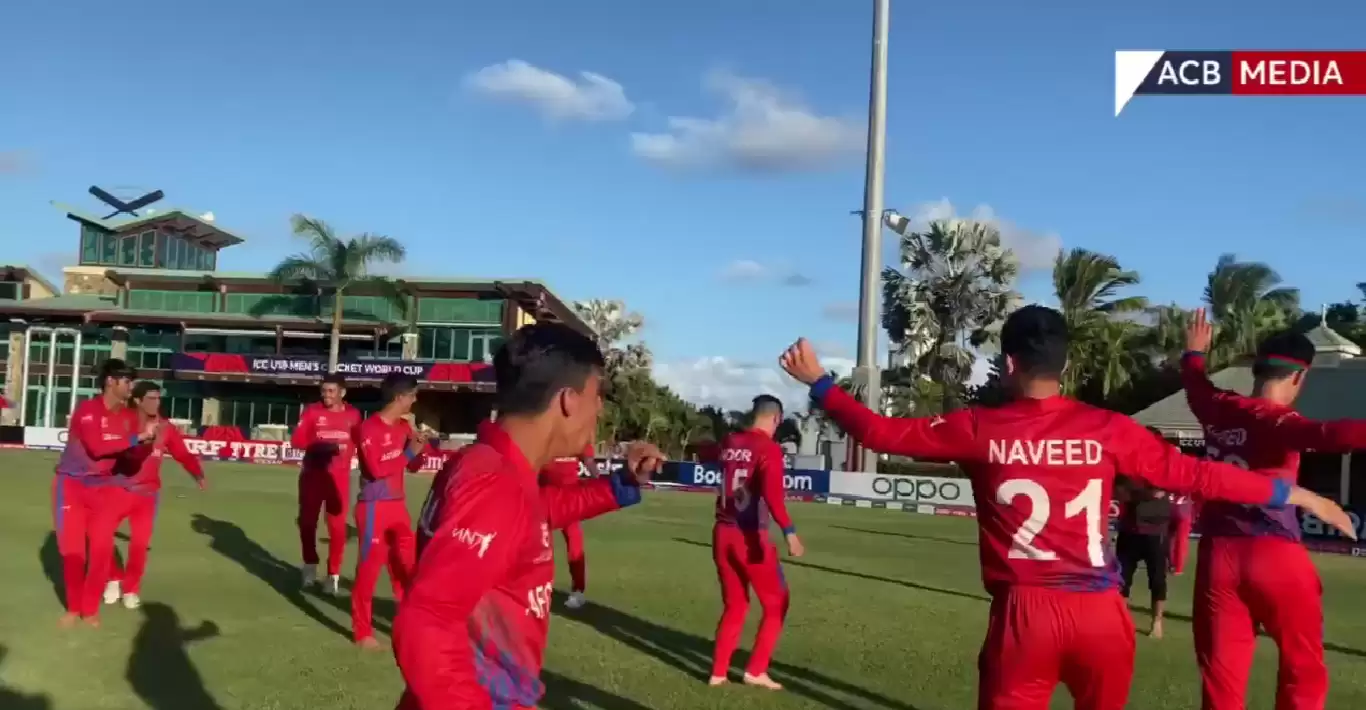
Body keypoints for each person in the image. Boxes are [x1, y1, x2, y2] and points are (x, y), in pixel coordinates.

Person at [777, 305, 1357, 710]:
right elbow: (1197, 475)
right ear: (1065, 366)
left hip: (1024, 616)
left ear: (1007, 365)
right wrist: (1290, 492)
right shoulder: (1108, 429)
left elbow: (880, 434)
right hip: (1103, 616)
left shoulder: (978, 426)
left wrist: (821, 383)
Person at [393, 322, 665, 710]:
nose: (600, 408)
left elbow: (536, 514)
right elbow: (427, 620)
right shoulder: (493, 482)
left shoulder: (498, 469)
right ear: (568, 400)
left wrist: (621, 484)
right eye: (597, 393)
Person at [1181, 307, 1366, 710]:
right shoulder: (1280, 423)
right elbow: (1331, 434)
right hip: (1273, 553)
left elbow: (1195, 384)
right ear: (1300, 377)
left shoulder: (1215, 407)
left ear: (1257, 370)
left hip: (1218, 557)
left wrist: (1193, 353)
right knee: (1303, 670)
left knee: (1221, 681)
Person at [53, 358, 159, 627]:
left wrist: (145, 445)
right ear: (111, 381)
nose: (130, 387)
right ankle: (73, 608)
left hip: (105, 488)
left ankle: (90, 610)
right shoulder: (87, 410)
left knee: (101, 551)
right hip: (72, 486)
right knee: (73, 552)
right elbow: (98, 448)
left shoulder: (129, 417)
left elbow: (132, 459)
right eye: (127, 381)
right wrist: (137, 439)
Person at [709, 394, 804, 691]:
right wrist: (790, 532)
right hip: (749, 536)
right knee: (777, 603)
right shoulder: (769, 449)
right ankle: (756, 670)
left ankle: (718, 673)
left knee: (735, 605)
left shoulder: (729, 442)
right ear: (775, 418)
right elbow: (774, 497)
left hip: (721, 532)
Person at [102, 381, 207, 610]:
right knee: (100, 535)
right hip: (117, 490)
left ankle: (131, 590)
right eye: (151, 398)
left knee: (139, 545)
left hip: (148, 495)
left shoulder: (166, 428)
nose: (156, 403)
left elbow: (182, 454)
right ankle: (113, 578)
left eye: (158, 399)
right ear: (138, 400)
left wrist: (197, 473)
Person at [350, 372, 429, 649]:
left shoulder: (403, 428)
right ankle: (362, 633)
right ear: (399, 397)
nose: (415, 400)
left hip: (398, 507)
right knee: (369, 571)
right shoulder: (368, 429)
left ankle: (410, 626)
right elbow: (377, 470)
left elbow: (414, 466)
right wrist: (408, 454)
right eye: (412, 395)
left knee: (408, 569)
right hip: (373, 508)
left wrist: (421, 446)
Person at [291, 373, 362, 595]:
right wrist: (324, 447)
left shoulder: (353, 415)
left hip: (339, 479)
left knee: (338, 529)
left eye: (331, 391)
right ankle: (310, 566)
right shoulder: (312, 411)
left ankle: (333, 575)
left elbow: (361, 442)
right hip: (313, 475)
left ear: (342, 393)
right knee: (307, 523)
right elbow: (297, 441)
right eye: (323, 391)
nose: (326, 395)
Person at [1114, 479, 1173, 638]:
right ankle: (1121, 621)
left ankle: (1157, 622)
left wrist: (1134, 491)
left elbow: (1158, 493)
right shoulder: (1130, 464)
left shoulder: (1163, 461)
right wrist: (1140, 491)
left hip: (1156, 531)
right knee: (1121, 579)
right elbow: (1120, 491)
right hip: (1129, 529)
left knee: (1157, 580)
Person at [539, 443, 596, 610]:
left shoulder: (578, 436)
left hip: (569, 500)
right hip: (545, 497)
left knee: (574, 545)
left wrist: (600, 482)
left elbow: (590, 462)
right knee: (540, 546)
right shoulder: (546, 433)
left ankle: (578, 591)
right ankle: (538, 588)